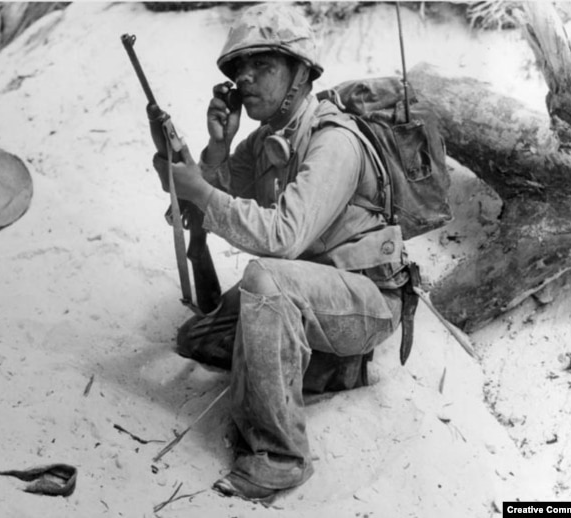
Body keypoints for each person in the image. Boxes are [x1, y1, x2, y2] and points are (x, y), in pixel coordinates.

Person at [153, 2, 410, 502]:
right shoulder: (267, 138)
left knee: (265, 278)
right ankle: (317, 366)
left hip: (366, 300)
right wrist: (216, 151)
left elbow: (282, 237)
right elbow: (209, 207)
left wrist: (203, 193)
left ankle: (281, 455)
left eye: (263, 67)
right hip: (310, 292)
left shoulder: (334, 140)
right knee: (197, 340)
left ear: (301, 73)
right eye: (238, 70)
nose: (246, 79)